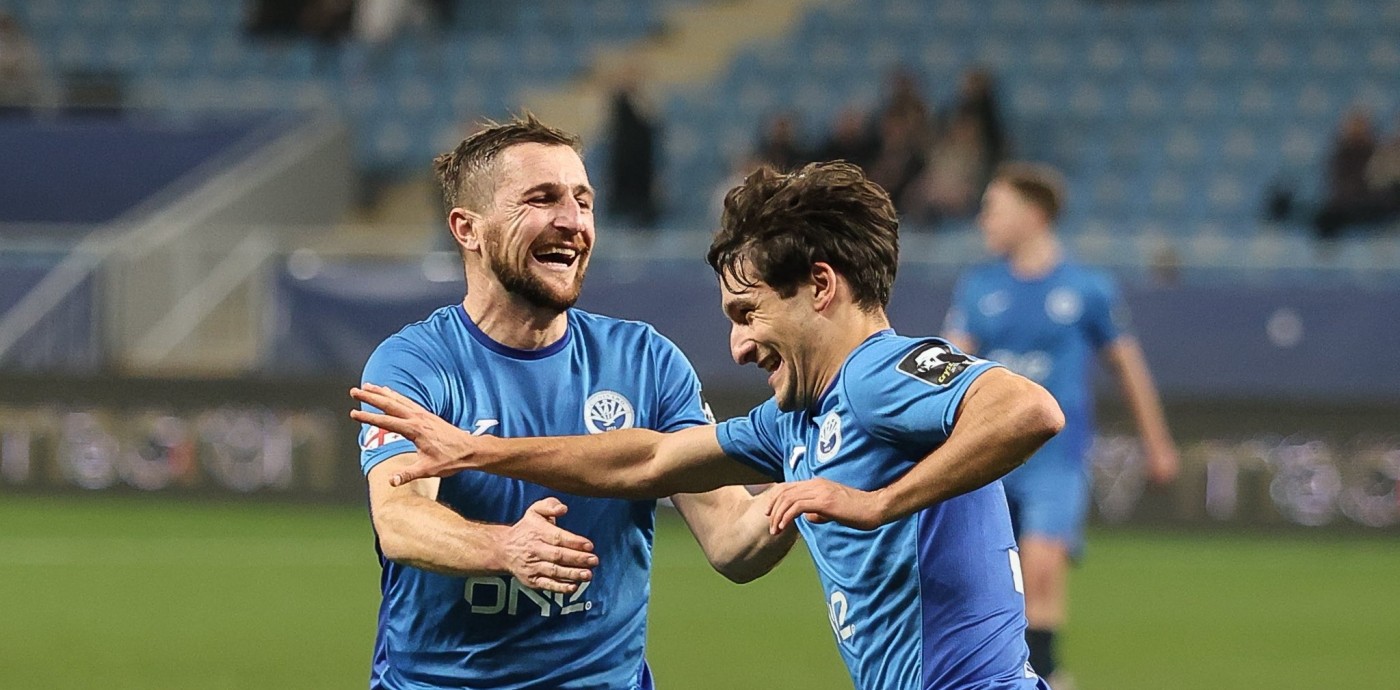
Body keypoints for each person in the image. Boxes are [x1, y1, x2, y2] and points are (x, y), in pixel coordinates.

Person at [353, 161, 1068, 689]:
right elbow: (648, 462)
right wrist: (482, 451)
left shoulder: (875, 371)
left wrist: (879, 502)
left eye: (748, 313)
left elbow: (1027, 409)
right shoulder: (797, 419)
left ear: (821, 287)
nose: (739, 346)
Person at [355, 115, 795, 689]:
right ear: (468, 229)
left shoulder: (645, 362)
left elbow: (732, 538)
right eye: (542, 199)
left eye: (583, 201)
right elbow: (400, 520)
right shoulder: (415, 364)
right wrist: (504, 546)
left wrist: (808, 478)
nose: (573, 221)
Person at [942, 163, 1180, 685]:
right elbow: (948, 369)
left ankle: (1044, 675)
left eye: (993, 208)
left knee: (1042, 569)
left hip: (1055, 458)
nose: (983, 220)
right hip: (986, 456)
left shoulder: (1087, 289)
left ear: (1032, 214)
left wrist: (1157, 443)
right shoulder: (978, 288)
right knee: (986, 580)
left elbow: (1128, 369)